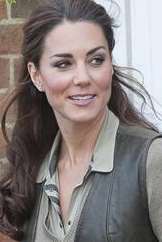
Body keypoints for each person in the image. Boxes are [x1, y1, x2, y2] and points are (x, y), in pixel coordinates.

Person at [0, 0, 162, 241]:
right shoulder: (29, 172)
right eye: (63, 64)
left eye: (96, 60)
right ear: (36, 76)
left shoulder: (150, 160)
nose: (83, 77)